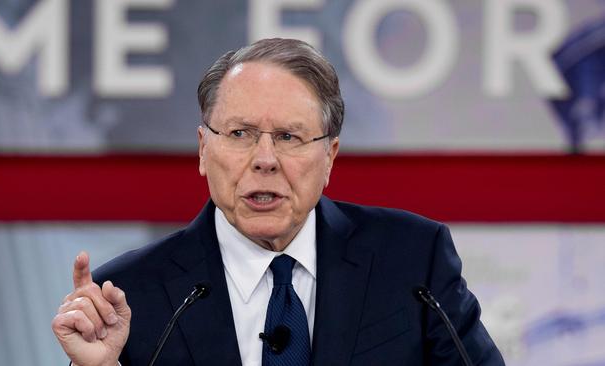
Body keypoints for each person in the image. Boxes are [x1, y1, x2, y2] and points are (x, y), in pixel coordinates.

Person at [52, 38, 505, 366]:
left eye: (289, 136)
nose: (264, 160)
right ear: (203, 151)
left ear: (329, 157)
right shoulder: (128, 295)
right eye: (240, 134)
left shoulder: (411, 260)